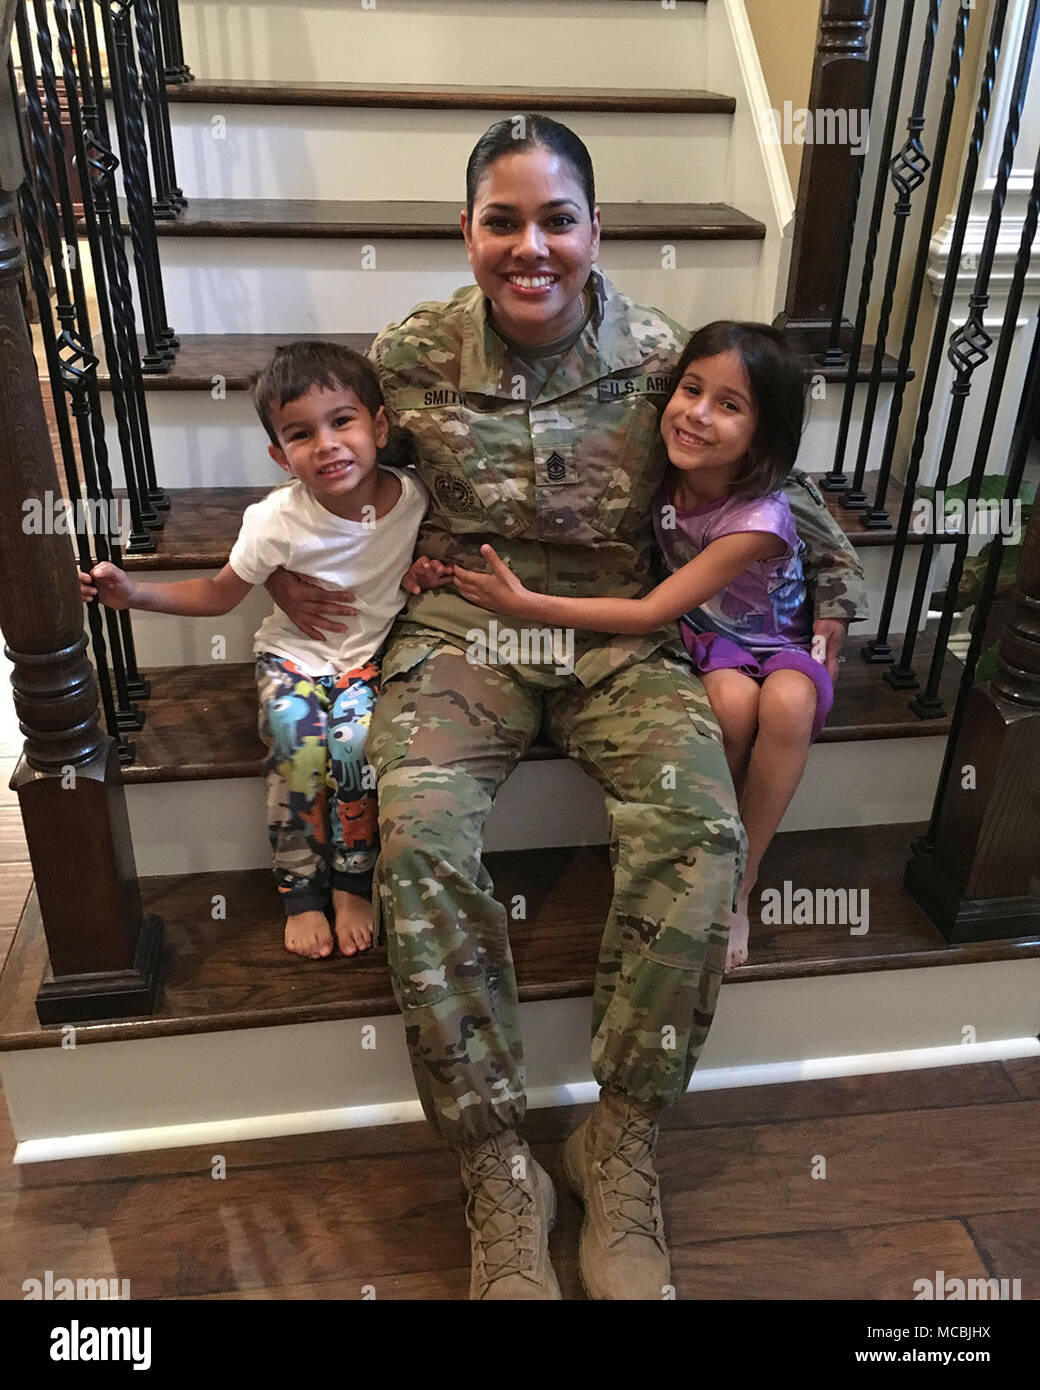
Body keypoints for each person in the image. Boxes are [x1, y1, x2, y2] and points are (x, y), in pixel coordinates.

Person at [267, 116, 868, 1300]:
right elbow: (335, 456)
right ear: (467, 230)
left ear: (596, 229)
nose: (528, 245)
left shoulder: (663, 357)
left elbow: (766, 480)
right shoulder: (406, 354)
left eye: (556, 219)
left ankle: (619, 1137)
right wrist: (295, 556)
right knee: (423, 837)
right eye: (504, 220)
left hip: (621, 630)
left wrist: (833, 596)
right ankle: (497, 1169)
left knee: (698, 829)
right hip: (463, 633)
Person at [454, 320, 832, 975]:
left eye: (729, 405)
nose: (697, 415)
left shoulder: (758, 520)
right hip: (711, 644)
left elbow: (651, 610)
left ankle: (744, 875)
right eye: (691, 389)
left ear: (764, 435)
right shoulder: (662, 466)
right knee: (732, 706)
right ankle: (715, 857)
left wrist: (528, 606)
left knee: (791, 702)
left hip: (774, 640)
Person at [78, 341, 446, 961]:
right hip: (294, 658)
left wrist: (424, 573)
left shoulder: (412, 499)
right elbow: (220, 594)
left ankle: (354, 883)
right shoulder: (275, 520)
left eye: (342, 421)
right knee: (294, 741)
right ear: (280, 457)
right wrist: (133, 592)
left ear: (379, 427)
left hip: (370, 661)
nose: (326, 444)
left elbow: (428, 555)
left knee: (356, 747)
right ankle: (301, 890)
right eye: (301, 435)